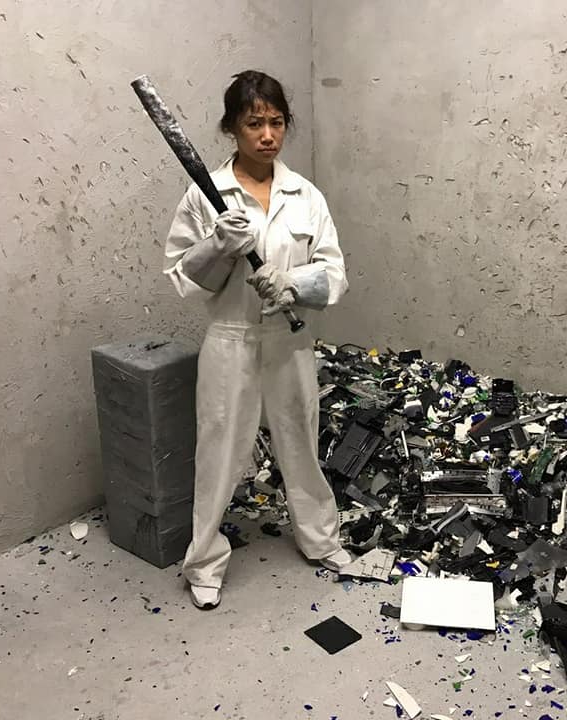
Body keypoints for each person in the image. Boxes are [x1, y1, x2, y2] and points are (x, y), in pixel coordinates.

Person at [163, 70, 351, 609]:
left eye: (276, 122)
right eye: (253, 124)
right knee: (219, 452)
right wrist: (217, 246)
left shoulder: (305, 196)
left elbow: (335, 274)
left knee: (301, 443)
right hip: (231, 339)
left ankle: (320, 540)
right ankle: (203, 562)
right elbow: (182, 277)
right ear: (232, 128)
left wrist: (294, 284)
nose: (267, 135)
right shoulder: (206, 196)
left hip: (289, 340)